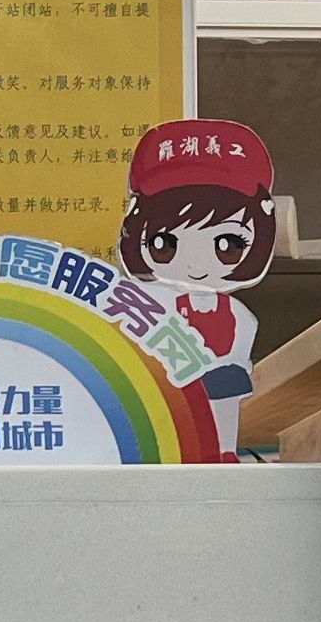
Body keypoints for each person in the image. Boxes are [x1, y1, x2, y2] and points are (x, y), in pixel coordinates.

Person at [112, 118, 277, 455]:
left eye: (227, 245)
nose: (196, 267)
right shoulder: (152, 305)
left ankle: (223, 451)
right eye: (165, 244)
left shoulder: (240, 317)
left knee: (224, 401)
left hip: (221, 419)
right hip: (165, 432)